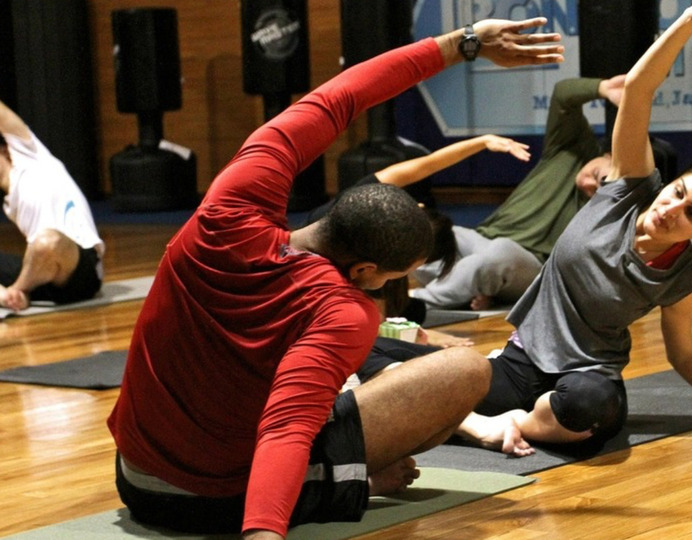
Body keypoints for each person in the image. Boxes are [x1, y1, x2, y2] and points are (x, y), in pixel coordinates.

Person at [107, 18, 563, 540]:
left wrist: (464, 43)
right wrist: (262, 533)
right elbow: (286, 425)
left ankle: (343, 478)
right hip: (214, 500)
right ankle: (340, 484)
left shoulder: (229, 204)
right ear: (365, 270)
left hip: (133, 473)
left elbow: (340, 97)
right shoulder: (343, 310)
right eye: (395, 277)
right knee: (465, 371)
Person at [378, 0, 692, 457]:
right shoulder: (628, 188)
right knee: (378, 356)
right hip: (520, 363)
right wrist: (691, 19)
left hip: (587, 377)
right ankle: (487, 422)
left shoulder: (682, 278)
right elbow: (638, 90)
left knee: (593, 410)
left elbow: (684, 355)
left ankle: (510, 424)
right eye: (677, 192)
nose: (671, 208)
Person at [409, 74, 626, 310]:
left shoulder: (613, 209)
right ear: (610, 155)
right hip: (483, 239)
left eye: (601, 191)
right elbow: (563, 95)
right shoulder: (569, 149)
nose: (588, 184)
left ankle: (412, 304)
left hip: (533, 265)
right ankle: (477, 287)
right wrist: (603, 88)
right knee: (431, 233)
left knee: (496, 255)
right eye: (599, 177)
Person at [299, 134, 531, 339]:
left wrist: (481, 142)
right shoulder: (326, 281)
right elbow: (373, 333)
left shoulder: (366, 207)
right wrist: (424, 338)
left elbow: (425, 165)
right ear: (366, 269)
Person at [0, 99, 104, 312]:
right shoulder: (8, 204)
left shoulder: (30, 155)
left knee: (47, 242)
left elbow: (3, 116)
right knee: (41, 247)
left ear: (4, 150)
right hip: (43, 275)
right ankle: (9, 296)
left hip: (80, 271)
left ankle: (17, 291)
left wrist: (17, 286)